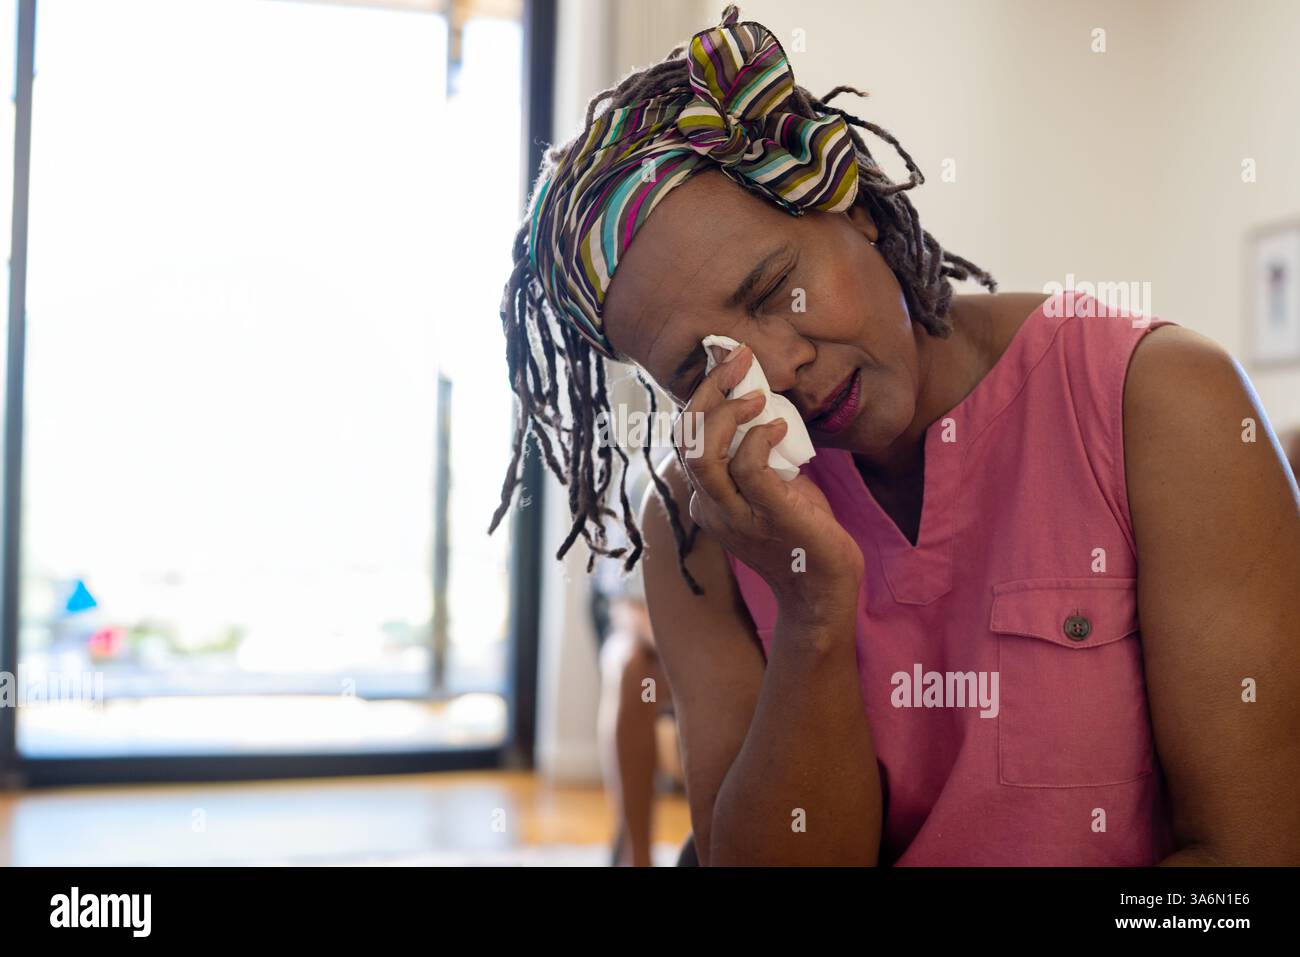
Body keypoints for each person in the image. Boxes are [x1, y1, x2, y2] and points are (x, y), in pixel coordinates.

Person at [490, 5, 1300, 865]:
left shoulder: (1163, 404)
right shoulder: (696, 528)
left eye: (772, 291)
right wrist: (812, 610)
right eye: (703, 364)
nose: (779, 367)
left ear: (852, 203)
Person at [588, 450, 679, 867]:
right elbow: (626, 604)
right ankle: (636, 855)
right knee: (630, 668)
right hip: (656, 644)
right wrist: (682, 649)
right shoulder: (644, 476)